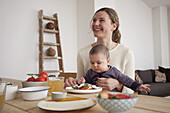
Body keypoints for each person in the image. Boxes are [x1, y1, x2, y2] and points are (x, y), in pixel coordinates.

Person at [65, 7, 135, 94]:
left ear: (114, 26)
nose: (95, 24)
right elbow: (80, 83)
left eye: (101, 20)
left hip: (116, 104)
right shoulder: (82, 53)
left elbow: (131, 89)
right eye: (94, 20)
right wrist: (72, 82)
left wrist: (117, 85)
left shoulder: (126, 53)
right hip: (90, 103)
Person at [77, 44, 150, 93]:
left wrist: (138, 86)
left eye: (98, 63)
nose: (95, 65)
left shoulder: (114, 71)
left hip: (112, 98)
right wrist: (83, 81)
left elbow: (126, 80)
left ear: (107, 61)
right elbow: (87, 84)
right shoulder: (90, 72)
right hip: (95, 97)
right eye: (92, 63)